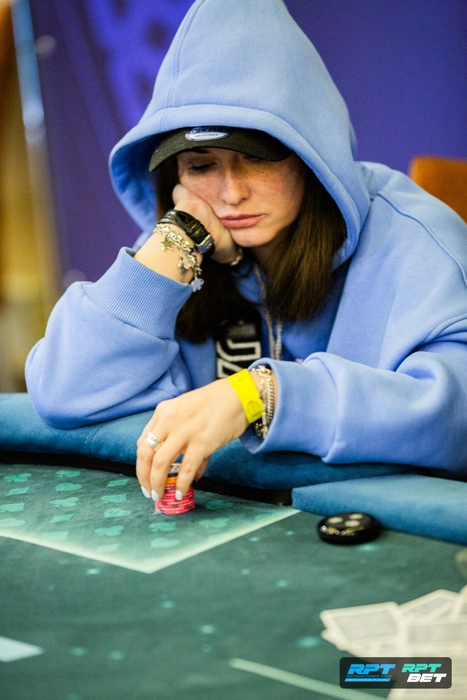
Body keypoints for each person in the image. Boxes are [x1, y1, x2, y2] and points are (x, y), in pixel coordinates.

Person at [26, 0, 467, 503]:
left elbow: (458, 415)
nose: (231, 194)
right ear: (175, 174)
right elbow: (63, 393)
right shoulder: (184, 243)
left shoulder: (413, 235)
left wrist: (260, 394)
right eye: (201, 165)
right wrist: (173, 244)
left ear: (312, 155)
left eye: (256, 160)